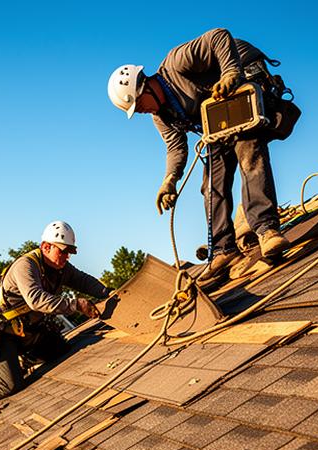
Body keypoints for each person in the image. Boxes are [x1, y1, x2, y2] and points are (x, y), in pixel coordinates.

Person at [107, 28, 291, 288]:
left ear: (145, 85)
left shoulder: (177, 63)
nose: (142, 112)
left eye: (139, 105)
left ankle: (267, 230)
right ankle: (223, 250)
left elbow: (218, 36)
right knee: (211, 184)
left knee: (249, 153)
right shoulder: (161, 117)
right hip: (218, 120)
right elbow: (175, 147)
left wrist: (229, 73)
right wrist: (169, 180)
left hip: (244, 81)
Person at [0, 221, 111, 409]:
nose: (67, 257)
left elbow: (83, 281)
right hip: (2, 335)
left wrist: (109, 293)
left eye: (69, 252)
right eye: (63, 251)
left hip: (28, 331)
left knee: (61, 350)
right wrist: (76, 304)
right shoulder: (25, 266)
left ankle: (23, 361)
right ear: (46, 246)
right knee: (10, 384)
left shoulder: (60, 269)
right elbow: (36, 300)